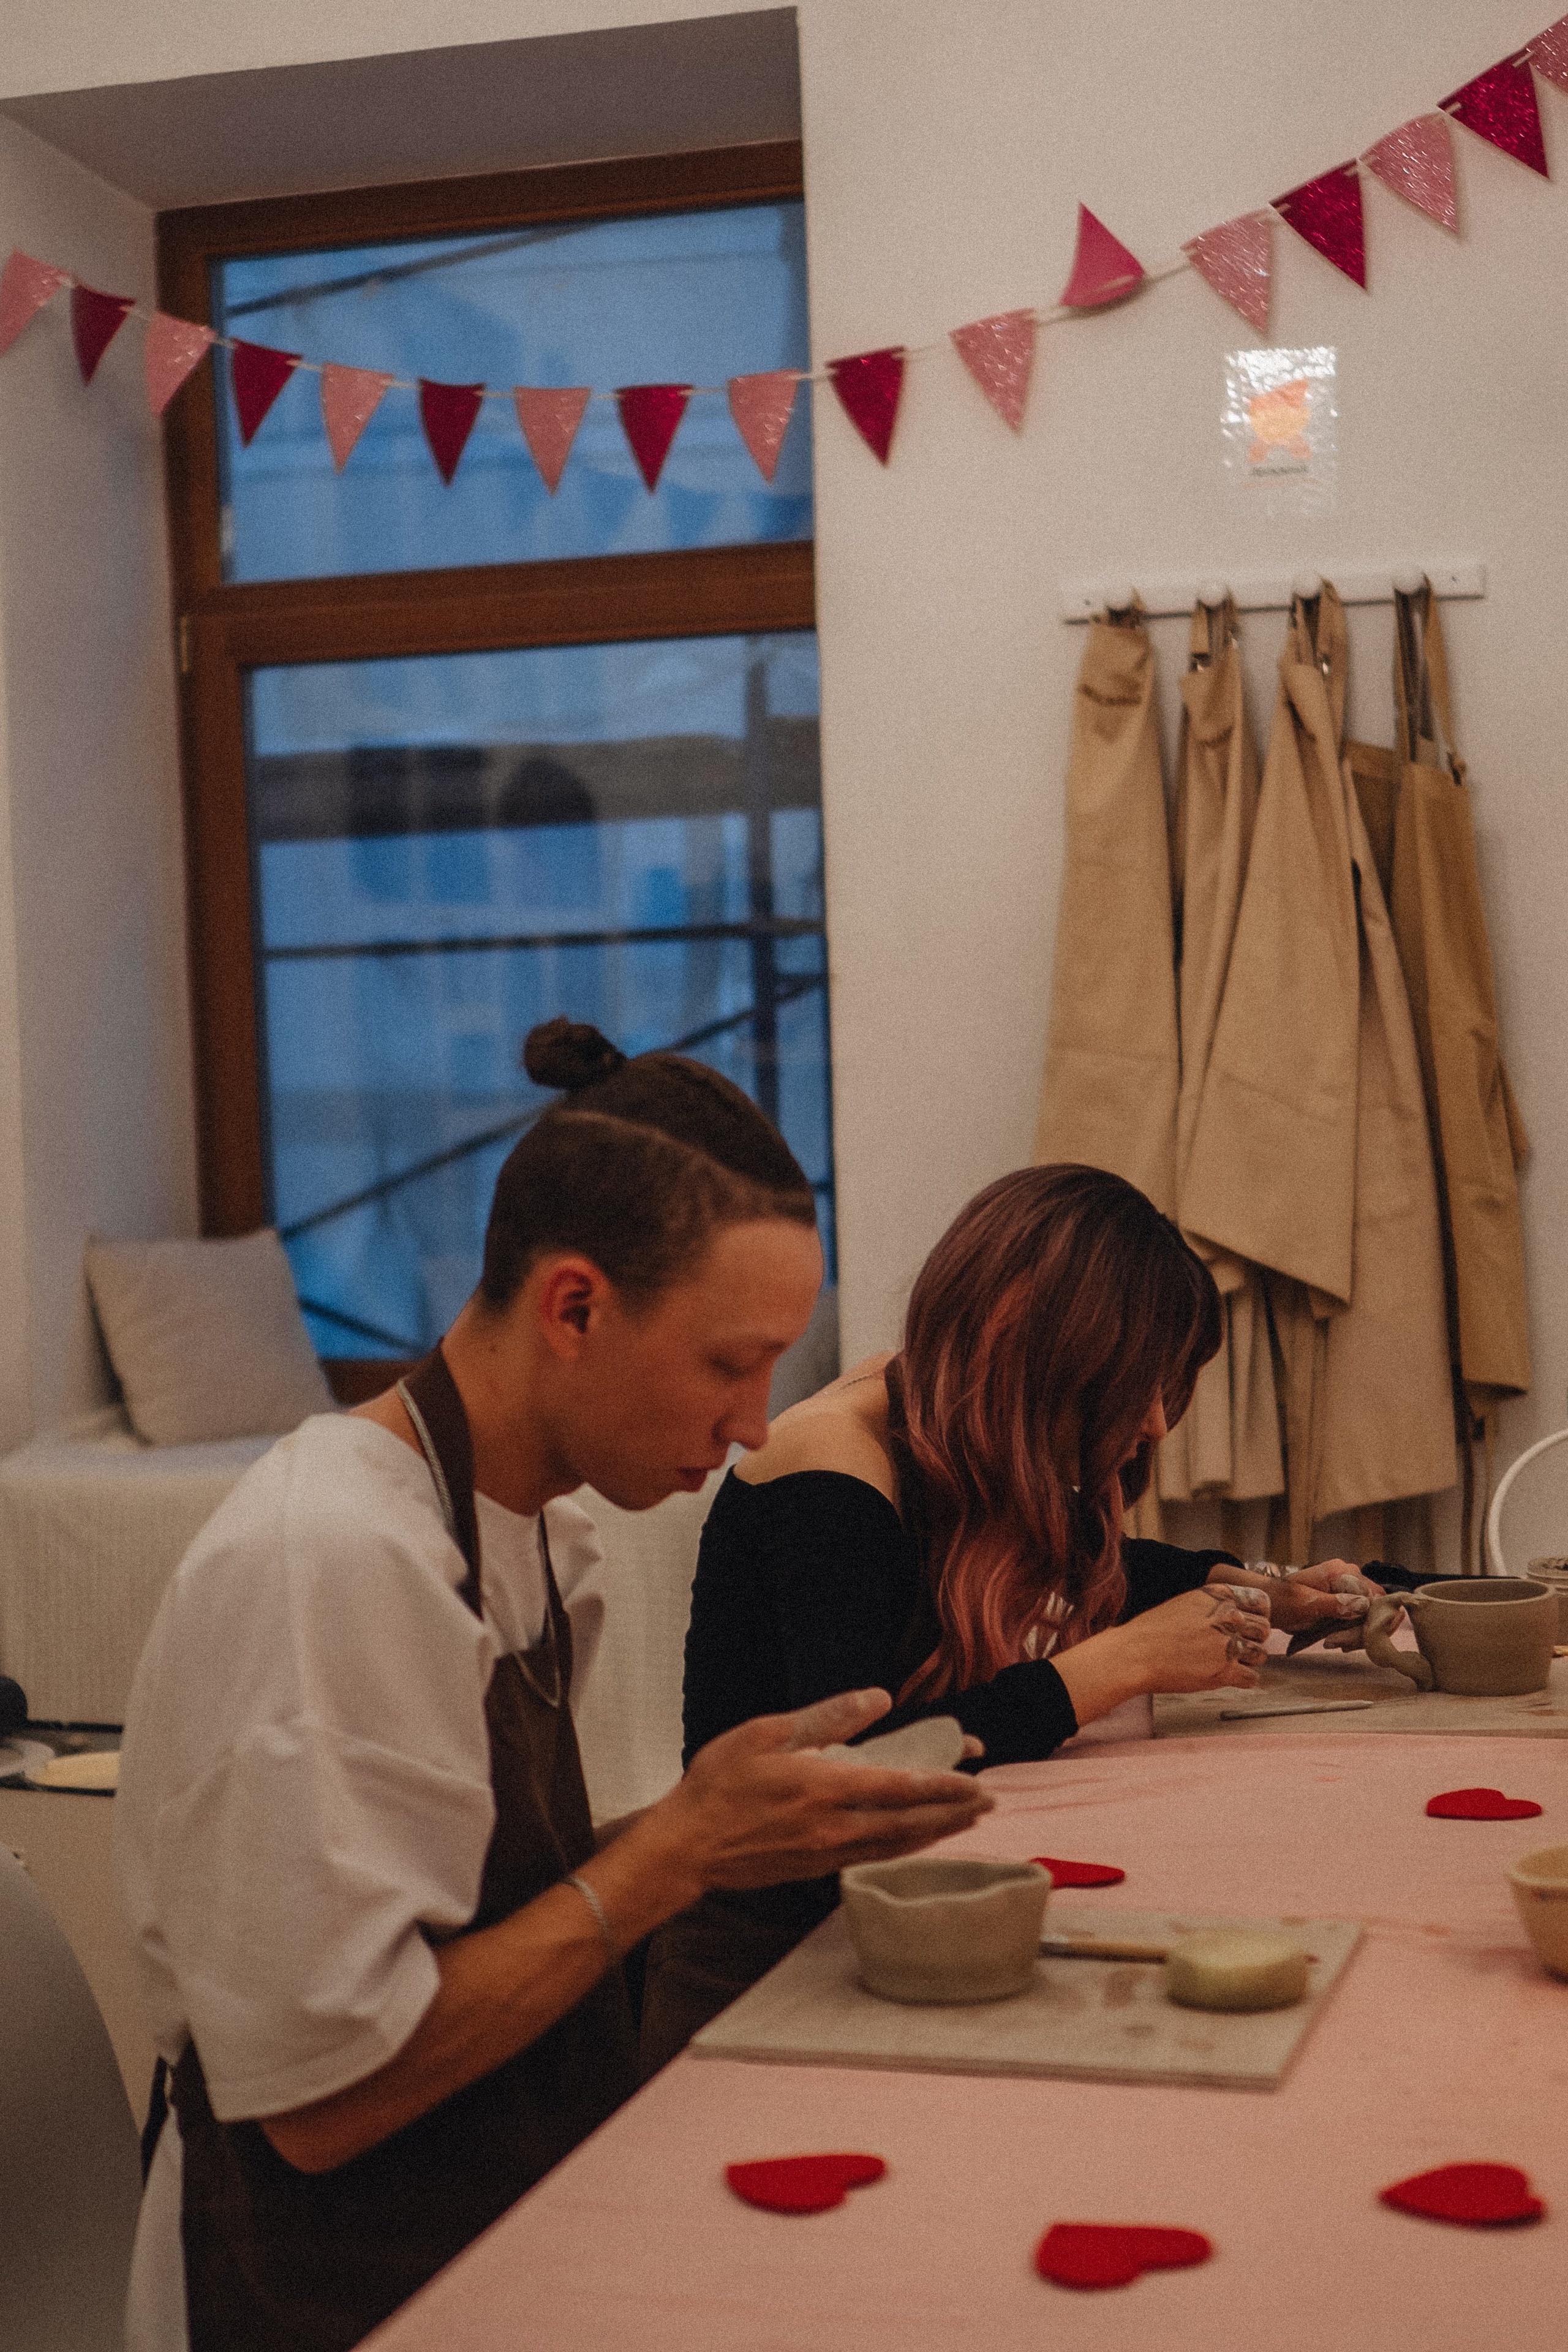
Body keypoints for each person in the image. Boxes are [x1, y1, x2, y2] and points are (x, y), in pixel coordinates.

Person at [113, 1019, 993, 2352]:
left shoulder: (535, 1527)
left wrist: (726, 1825)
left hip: (492, 2201)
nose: (755, 1424)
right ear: (573, 1307)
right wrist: (675, 1854)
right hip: (319, 2276)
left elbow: (468, 1906)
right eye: (727, 1363)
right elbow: (320, 2102)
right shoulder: (336, 1557)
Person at [640, 1163, 1384, 2070]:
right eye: (1135, 1387)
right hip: (765, 1961)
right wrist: (1123, 1662)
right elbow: (864, 1770)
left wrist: (1255, 1586)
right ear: (1029, 1349)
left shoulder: (942, 1410)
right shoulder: (829, 1472)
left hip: (895, 1926)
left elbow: (1059, 1562)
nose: (1154, 1424)